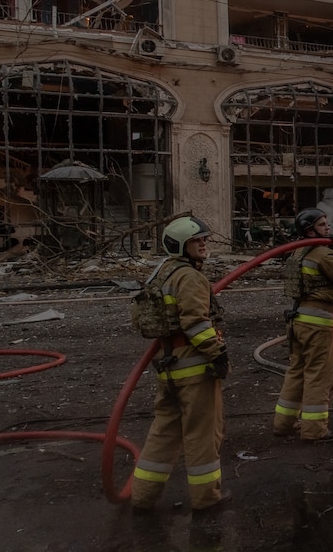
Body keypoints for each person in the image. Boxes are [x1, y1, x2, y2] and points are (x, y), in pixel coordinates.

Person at [131, 216, 230, 513]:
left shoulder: (160, 273)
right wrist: (218, 353)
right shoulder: (190, 277)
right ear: (181, 246)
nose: (203, 243)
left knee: (164, 431)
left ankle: (142, 496)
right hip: (195, 367)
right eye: (196, 240)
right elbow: (195, 323)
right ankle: (206, 499)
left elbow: (139, 318)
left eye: (203, 238)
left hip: (169, 366)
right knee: (202, 433)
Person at [273, 208, 333, 441]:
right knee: (318, 375)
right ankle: (314, 430)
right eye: (323, 225)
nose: (328, 228)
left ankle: (283, 424)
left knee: (296, 372)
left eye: (327, 223)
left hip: (298, 322)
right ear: (310, 229)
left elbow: (322, 276)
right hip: (318, 324)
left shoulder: (299, 251)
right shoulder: (323, 254)